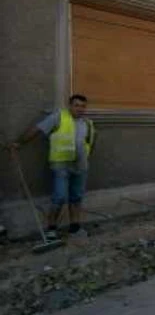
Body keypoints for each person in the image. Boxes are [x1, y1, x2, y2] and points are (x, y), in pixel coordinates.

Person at [9, 94, 96, 239]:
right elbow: (38, 129)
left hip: (80, 166)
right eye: (77, 105)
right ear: (70, 106)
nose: (80, 109)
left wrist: (86, 158)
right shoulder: (59, 117)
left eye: (83, 106)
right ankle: (51, 229)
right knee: (59, 197)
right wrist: (19, 143)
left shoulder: (87, 123)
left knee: (76, 197)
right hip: (61, 165)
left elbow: (92, 142)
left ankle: (74, 228)